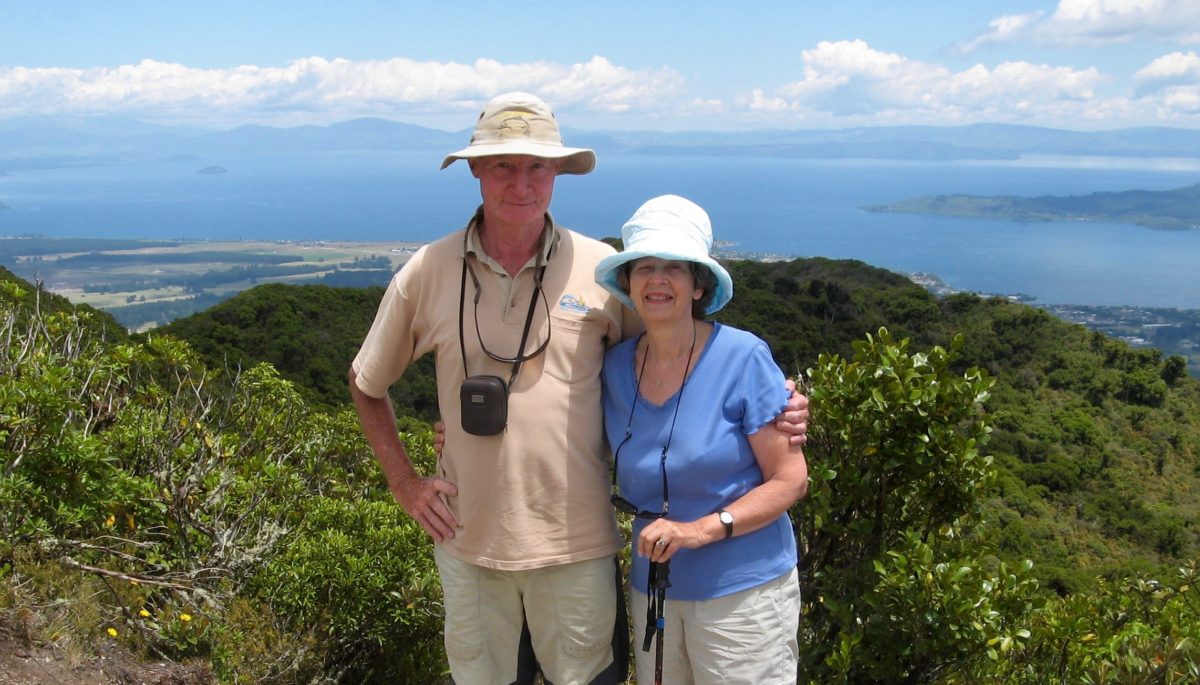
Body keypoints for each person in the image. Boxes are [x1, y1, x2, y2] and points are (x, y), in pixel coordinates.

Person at [348, 92, 808, 685]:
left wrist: (776, 401)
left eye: (537, 166)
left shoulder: (600, 270)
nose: (522, 183)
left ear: (557, 173)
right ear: (475, 169)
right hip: (469, 543)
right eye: (504, 165)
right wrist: (405, 482)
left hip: (577, 547)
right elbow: (366, 382)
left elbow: (681, 355)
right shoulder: (428, 270)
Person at [595, 194, 810, 685]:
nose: (658, 279)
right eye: (644, 267)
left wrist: (700, 531)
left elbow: (790, 480)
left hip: (744, 595)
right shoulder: (614, 367)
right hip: (655, 589)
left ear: (698, 285)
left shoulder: (743, 358)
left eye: (675, 267)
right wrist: (452, 437)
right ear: (628, 283)